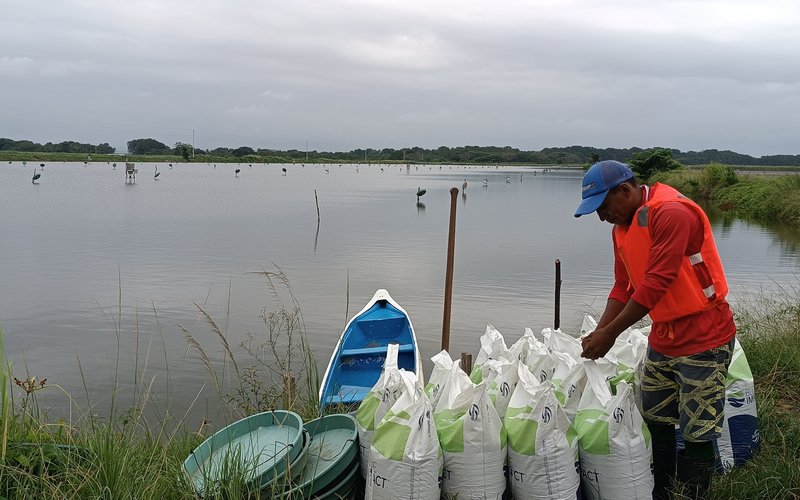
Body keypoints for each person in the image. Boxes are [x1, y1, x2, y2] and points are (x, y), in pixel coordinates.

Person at [574, 160, 736, 499]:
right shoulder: (621, 228)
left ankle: (692, 492)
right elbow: (623, 287)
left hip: (703, 334)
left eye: (604, 207)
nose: (602, 217)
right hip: (663, 334)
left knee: (698, 426)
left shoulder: (671, 212)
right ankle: (662, 488)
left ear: (625, 190)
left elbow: (655, 284)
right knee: (655, 414)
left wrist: (611, 335)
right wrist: (598, 332)